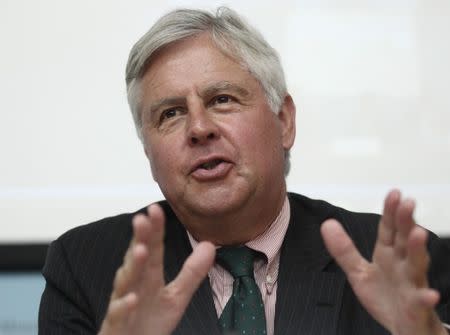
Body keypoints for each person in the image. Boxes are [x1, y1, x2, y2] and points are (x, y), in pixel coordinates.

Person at [39, 7, 450, 335]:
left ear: (284, 121)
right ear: (148, 150)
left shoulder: (401, 264)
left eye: (221, 100)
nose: (199, 128)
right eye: (171, 113)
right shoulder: (87, 267)